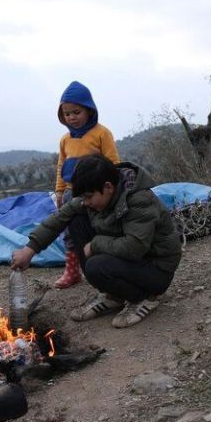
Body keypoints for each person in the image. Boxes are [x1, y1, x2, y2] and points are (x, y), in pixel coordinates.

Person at [11, 155, 181, 328]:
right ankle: (113, 295)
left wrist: (95, 244)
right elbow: (59, 218)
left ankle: (145, 298)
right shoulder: (95, 191)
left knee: (96, 266)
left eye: (89, 197)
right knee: (76, 220)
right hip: (130, 260)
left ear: (108, 187)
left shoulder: (138, 199)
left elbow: (134, 247)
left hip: (156, 267)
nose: (85, 202)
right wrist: (29, 250)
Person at [51, 81, 120, 290]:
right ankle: (73, 271)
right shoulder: (65, 140)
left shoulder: (101, 133)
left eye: (76, 112)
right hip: (74, 194)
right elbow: (62, 165)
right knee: (71, 231)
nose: (71, 117)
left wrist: (114, 189)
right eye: (67, 113)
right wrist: (60, 190)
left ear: (89, 110)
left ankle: (106, 266)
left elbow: (113, 162)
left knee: (100, 228)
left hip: (98, 194)